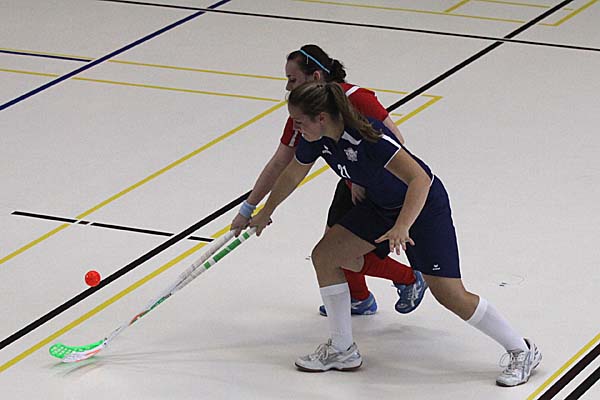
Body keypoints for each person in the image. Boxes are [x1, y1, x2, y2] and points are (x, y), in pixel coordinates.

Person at [249, 81, 541, 387]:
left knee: (450, 294)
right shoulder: (317, 139)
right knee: (325, 256)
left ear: (321, 117)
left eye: (299, 122)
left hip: (423, 207)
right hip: (381, 205)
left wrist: (403, 225)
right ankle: (342, 349)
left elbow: (420, 179)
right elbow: (293, 173)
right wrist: (266, 211)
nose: (295, 129)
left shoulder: (368, 136)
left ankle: (522, 350)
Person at [231, 44, 427, 316]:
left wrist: (362, 178)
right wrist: (249, 209)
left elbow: (396, 143)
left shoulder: (356, 99)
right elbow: (281, 164)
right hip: (351, 181)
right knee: (331, 251)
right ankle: (360, 298)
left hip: (378, 185)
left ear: (316, 77)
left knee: (334, 253)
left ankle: (408, 279)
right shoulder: (303, 115)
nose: (288, 87)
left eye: (292, 79)